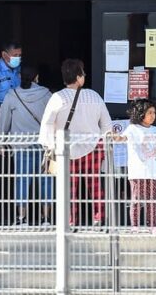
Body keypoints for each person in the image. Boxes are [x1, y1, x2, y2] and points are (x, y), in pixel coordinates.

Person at [39, 58, 112, 227]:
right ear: (79, 77)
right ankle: (98, 218)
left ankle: (70, 221)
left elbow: (47, 123)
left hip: (65, 149)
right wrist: (102, 141)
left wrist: (50, 145)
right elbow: (107, 124)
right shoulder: (94, 96)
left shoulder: (57, 98)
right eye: (83, 74)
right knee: (94, 185)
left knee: (69, 188)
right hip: (92, 147)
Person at [0, 62, 53, 226]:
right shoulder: (47, 95)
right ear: (37, 78)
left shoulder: (11, 95)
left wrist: (1, 142)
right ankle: (46, 219)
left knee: (21, 181)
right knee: (46, 181)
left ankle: (22, 219)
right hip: (43, 146)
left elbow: (4, 121)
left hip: (21, 146)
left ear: (20, 77)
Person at [125, 99, 156, 233]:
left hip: (152, 171)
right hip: (137, 171)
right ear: (141, 114)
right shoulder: (132, 129)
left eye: (154, 113)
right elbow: (123, 138)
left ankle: (153, 225)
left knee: (152, 200)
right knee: (136, 199)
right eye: (149, 113)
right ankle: (135, 226)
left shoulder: (155, 130)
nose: (153, 116)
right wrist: (115, 137)